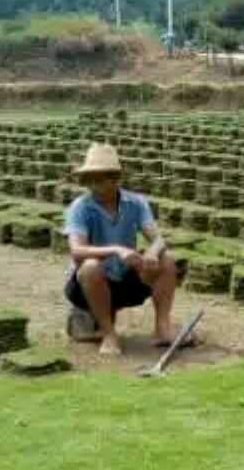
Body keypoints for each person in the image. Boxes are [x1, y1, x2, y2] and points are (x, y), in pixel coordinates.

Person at [64, 142, 181, 359]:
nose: (94, 185)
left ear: (114, 178)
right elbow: (77, 250)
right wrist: (117, 249)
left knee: (168, 261)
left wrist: (152, 253)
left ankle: (162, 328)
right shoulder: (80, 207)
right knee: (90, 266)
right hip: (86, 284)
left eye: (100, 179)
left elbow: (158, 239)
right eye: (90, 179)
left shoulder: (136, 203)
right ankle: (109, 333)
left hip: (124, 279)